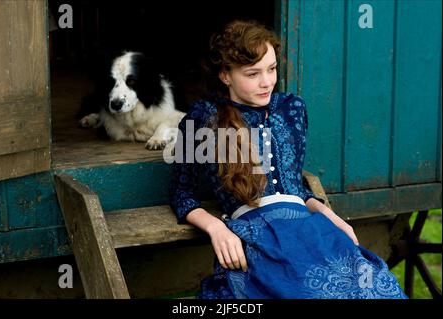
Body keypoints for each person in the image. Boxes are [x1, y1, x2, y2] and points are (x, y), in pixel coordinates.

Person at [169, 20, 406, 299]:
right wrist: (216, 228)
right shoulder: (204, 117)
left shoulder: (291, 108)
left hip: (309, 230)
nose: (266, 81)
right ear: (225, 75)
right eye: (252, 73)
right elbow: (181, 193)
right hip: (259, 235)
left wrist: (331, 217)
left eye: (271, 69)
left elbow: (295, 187)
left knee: (374, 290)